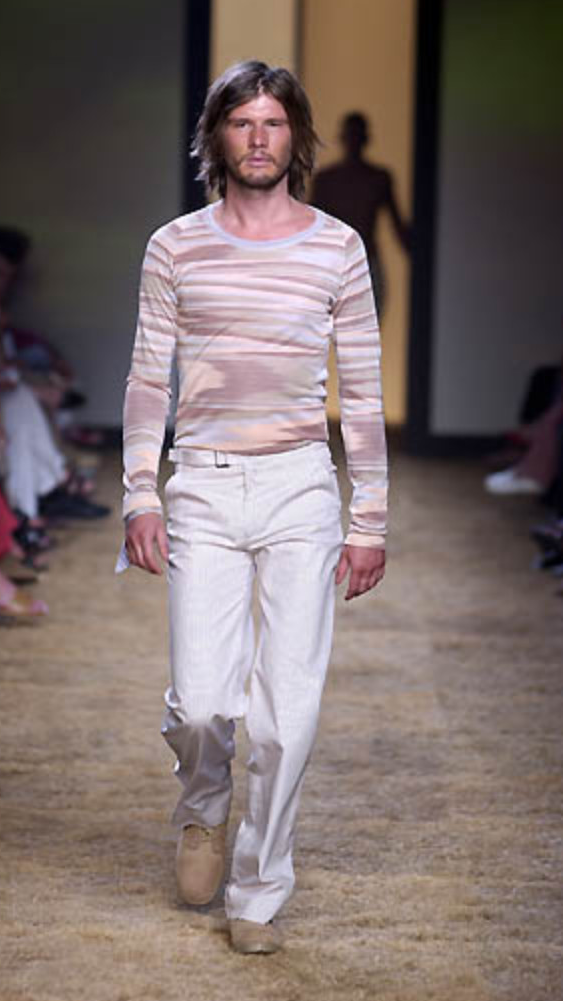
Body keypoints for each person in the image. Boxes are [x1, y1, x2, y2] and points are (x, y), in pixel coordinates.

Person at [121, 61, 388, 955]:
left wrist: (370, 518)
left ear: (296, 137)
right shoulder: (174, 246)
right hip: (202, 481)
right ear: (217, 137)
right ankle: (204, 801)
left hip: (301, 485)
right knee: (202, 703)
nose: (260, 138)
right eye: (243, 122)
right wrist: (139, 491)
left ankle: (259, 890)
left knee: (287, 714)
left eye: (274, 122)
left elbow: (363, 392)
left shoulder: (338, 249)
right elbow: (147, 380)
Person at [311, 111, 411, 317]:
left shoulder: (377, 179)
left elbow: (401, 232)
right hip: (336, 264)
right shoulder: (327, 180)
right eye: (351, 136)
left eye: (356, 136)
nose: (353, 142)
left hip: (365, 263)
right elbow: (309, 228)